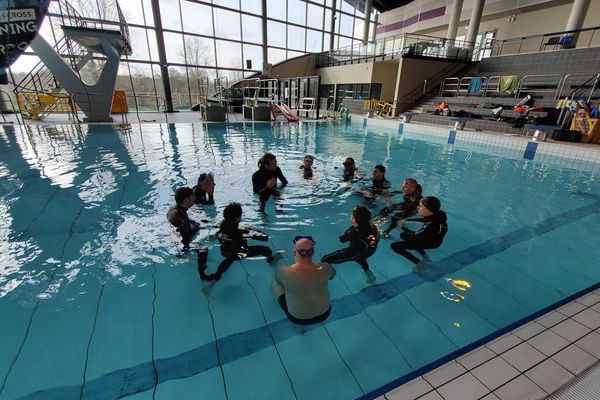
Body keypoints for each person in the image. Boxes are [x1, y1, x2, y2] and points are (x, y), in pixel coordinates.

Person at [272, 236, 335, 326]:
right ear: (313, 252)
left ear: (294, 252)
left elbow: (278, 281)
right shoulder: (325, 267)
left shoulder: (284, 271)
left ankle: (300, 327)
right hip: (324, 314)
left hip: (297, 319)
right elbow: (332, 276)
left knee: (275, 285)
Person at [209, 202, 278, 281]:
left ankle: (217, 275)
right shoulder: (237, 233)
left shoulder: (223, 224)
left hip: (225, 251)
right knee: (265, 249)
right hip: (240, 253)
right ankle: (271, 260)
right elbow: (256, 236)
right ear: (237, 219)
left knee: (229, 259)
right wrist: (263, 236)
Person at [321, 205, 379, 283]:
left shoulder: (353, 232)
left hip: (355, 252)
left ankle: (332, 274)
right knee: (361, 257)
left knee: (325, 259)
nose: (350, 216)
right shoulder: (372, 226)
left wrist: (346, 235)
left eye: (352, 215)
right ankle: (369, 274)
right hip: (370, 250)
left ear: (354, 219)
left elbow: (343, 239)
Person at [166, 187, 210, 280]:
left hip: (173, 234)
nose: (194, 198)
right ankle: (203, 274)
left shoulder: (174, 208)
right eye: (192, 196)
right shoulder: (180, 217)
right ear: (186, 200)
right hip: (180, 244)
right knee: (203, 250)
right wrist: (197, 228)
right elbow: (187, 235)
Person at [390, 196, 448, 265]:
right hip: (434, 238)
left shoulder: (430, 226)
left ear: (429, 210)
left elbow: (415, 235)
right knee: (403, 235)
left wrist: (401, 226)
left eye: (420, 206)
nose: (417, 208)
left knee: (395, 246)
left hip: (431, 243)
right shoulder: (438, 214)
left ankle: (418, 263)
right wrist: (408, 219)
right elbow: (427, 220)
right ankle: (425, 256)